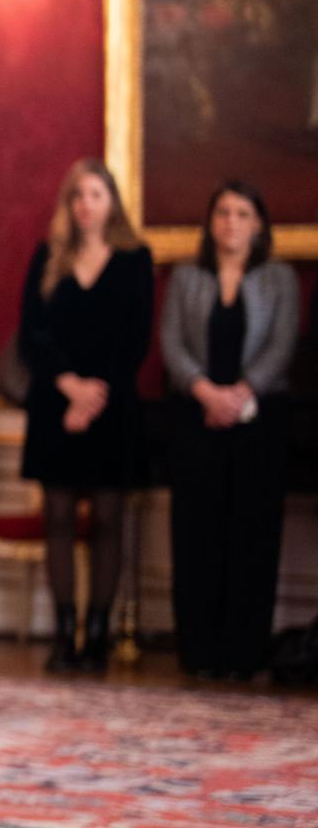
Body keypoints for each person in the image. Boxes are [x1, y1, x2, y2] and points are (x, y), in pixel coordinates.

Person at [18, 158, 154, 673]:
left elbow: (135, 339)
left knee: (108, 520)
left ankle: (97, 634)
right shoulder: (47, 257)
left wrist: (94, 396)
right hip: (55, 405)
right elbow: (32, 333)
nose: (86, 204)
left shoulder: (134, 259)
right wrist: (69, 388)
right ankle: (64, 632)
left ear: (111, 202)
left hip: (113, 407)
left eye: (95, 194)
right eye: (77, 195)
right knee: (56, 517)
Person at [160, 181, 300, 679]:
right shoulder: (186, 277)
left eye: (242, 213)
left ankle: (243, 653)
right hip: (196, 421)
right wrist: (206, 392)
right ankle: (199, 651)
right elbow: (172, 343)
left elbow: (284, 344)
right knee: (197, 536)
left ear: (258, 223)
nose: (231, 222)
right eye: (222, 212)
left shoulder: (279, 279)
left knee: (252, 536)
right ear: (210, 221)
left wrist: (241, 393)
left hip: (259, 423)